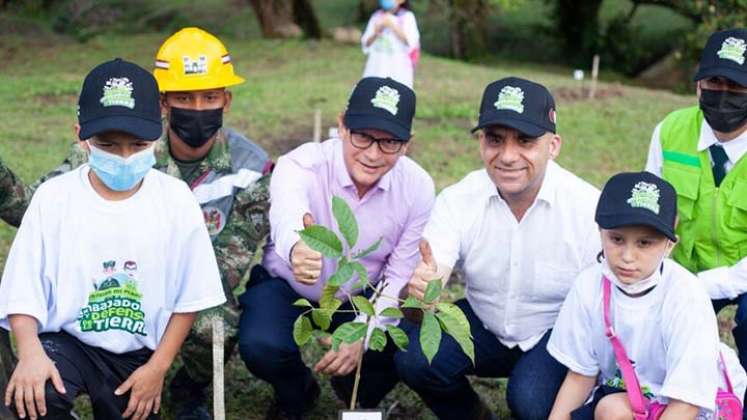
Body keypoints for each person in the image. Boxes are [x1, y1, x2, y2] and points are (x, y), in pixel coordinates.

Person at [0, 27, 271, 419]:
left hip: (168, 300)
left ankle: (188, 390)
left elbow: (212, 274)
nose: (197, 108)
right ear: (163, 104)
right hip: (80, 326)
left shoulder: (247, 167)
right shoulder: (103, 149)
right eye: (184, 97)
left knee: (211, 324)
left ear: (226, 99)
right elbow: (33, 213)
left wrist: (158, 360)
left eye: (210, 96)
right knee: (42, 390)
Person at [395, 77, 601, 420]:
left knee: (530, 402)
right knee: (415, 357)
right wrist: (418, 294)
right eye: (495, 139)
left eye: (525, 141)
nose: (507, 156)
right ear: (481, 141)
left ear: (553, 146)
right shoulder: (458, 200)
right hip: (484, 322)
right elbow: (424, 290)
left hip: (555, 334)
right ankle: (472, 414)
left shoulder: (586, 209)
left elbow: (601, 314)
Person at [237, 77, 434, 419]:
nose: (373, 154)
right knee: (261, 344)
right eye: (362, 137)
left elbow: (400, 273)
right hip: (289, 287)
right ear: (342, 125)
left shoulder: (417, 188)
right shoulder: (301, 163)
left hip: (361, 295)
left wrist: (363, 332)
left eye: (390, 142)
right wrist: (298, 247)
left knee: (394, 340)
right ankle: (296, 390)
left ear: (407, 144)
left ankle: (357, 392)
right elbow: (287, 211)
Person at [548, 171, 747, 419]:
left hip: (688, 406)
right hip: (630, 398)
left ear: (669, 245)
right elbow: (580, 375)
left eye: (644, 243)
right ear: (600, 231)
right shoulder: (588, 285)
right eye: (617, 239)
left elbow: (687, 404)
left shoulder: (686, 296)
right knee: (609, 409)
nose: (628, 256)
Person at [645, 28, 747, 413]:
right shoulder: (671, 130)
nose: (723, 93)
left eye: (737, 85)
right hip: (681, 268)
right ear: (698, 84)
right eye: (714, 81)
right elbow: (649, 211)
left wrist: (707, 285)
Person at [361, 0, 420, 88]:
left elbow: (411, 42)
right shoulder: (376, 16)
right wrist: (376, 32)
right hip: (376, 68)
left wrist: (392, 25)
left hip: (399, 71)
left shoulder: (408, 17)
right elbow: (366, 43)